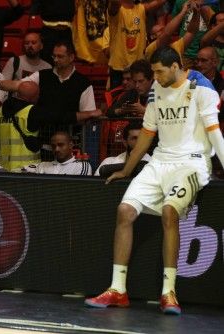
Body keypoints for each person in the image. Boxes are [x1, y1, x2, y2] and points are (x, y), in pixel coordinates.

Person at [84, 47, 224, 315]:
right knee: (124, 211)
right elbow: (148, 134)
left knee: (170, 212)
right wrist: (127, 169)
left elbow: (215, 134)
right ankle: (117, 289)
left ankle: (168, 293)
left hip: (193, 163)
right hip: (160, 162)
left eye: (159, 71)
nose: (155, 78)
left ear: (175, 66)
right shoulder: (157, 89)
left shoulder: (202, 87)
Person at [0, 80, 41, 172]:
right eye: (38, 95)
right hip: (26, 169)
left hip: (3, 167)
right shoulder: (32, 111)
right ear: (33, 97)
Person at [21, 131, 92, 175]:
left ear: (71, 145)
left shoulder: (82, 166)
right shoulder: (43, 165)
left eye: (61, 145)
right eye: (53, 146)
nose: (56, 149)